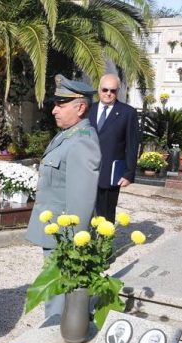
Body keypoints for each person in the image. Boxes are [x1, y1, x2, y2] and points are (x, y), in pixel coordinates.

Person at [26, 74, 101, 322]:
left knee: (57, 293)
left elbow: (82, 200)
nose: (54, 110)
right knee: (55, 291)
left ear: (80, 107)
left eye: (61, 104)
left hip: (64, 237)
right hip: (55, 232)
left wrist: (72, 244)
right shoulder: (68, 135)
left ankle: (54, 340)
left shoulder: (82, 142)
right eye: (55, 103)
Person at [88, 73, 139, 222]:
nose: (109, 94)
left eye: (113, 91)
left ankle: (104, 243)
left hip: (110, 173)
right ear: (99, 90)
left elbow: (132, 144)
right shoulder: (88, 109)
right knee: (85, 211)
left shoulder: (128, 113)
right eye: (105, 90)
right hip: (87, 170)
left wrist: (129, 173)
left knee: (106, 213)